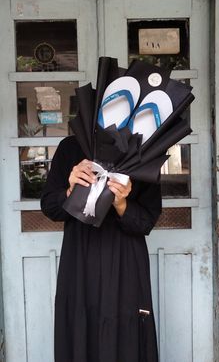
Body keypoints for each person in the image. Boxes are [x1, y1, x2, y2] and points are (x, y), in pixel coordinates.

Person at [41, 134, 162, 362]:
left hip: (125, 258)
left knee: (127, 330)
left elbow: (146, 221)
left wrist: (122, 204)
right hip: (80, 258)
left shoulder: (143, 151)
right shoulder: (71, 147)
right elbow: (49, 206)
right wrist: (70, 190)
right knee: (80, 326)